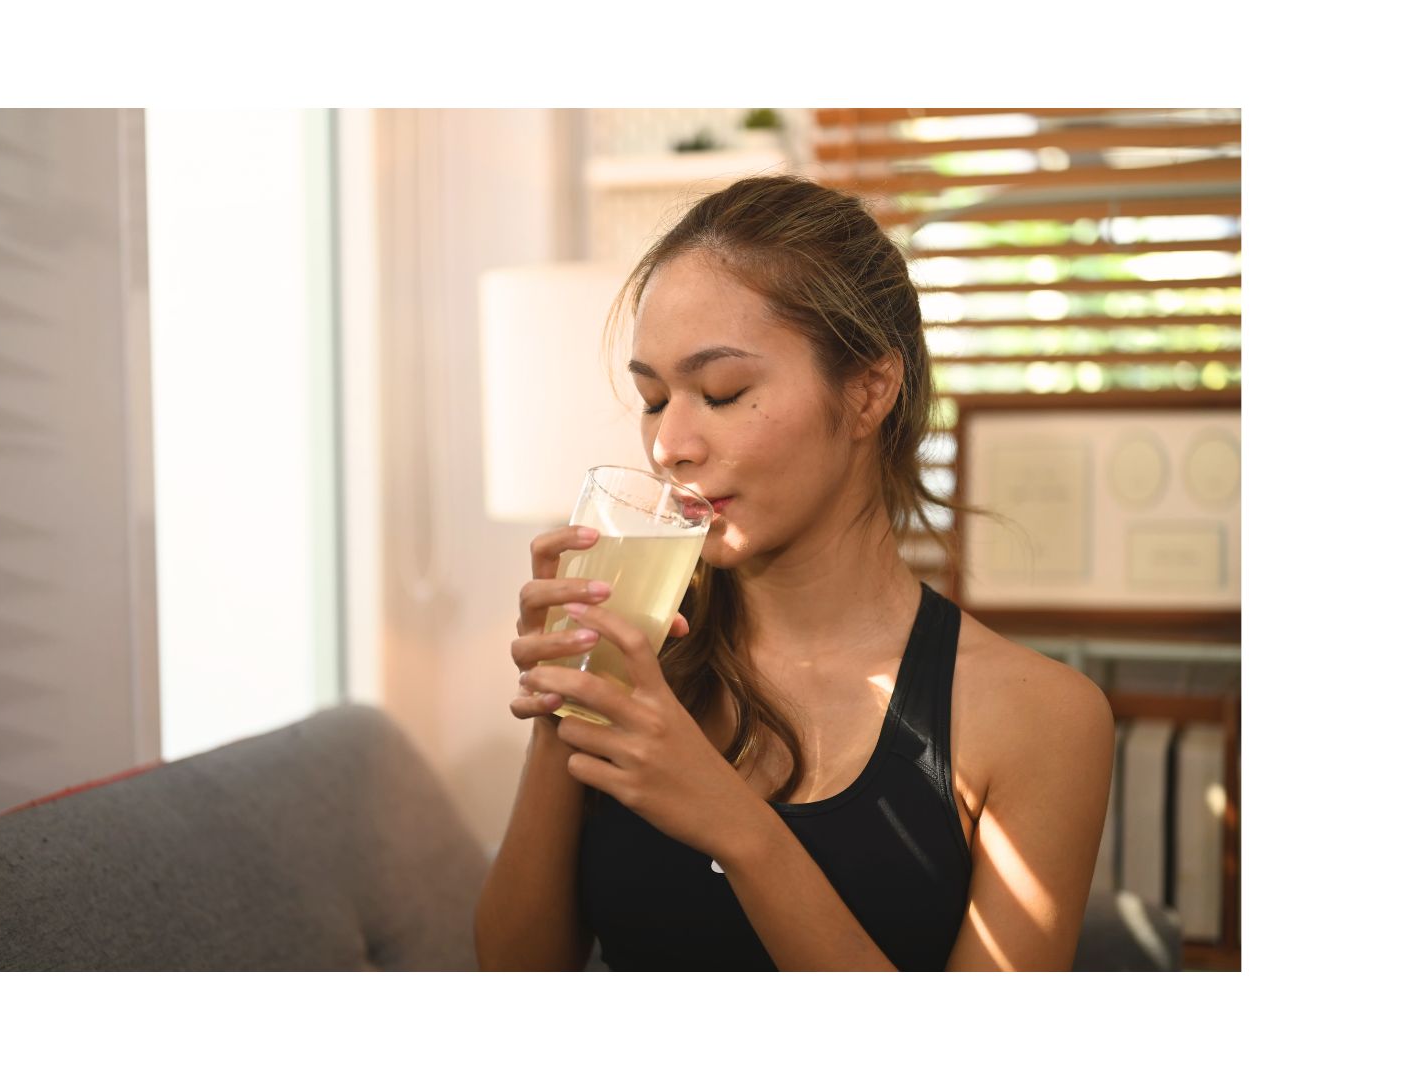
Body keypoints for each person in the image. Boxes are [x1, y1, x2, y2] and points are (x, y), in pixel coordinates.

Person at [473, 175, 1115, 971]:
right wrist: (563, 701)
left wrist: (737, 829)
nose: (669, 442)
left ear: (868, 392)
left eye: (722, 391)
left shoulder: (1041, 719)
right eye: (652, 398)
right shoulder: (643, 662)